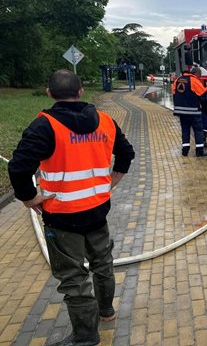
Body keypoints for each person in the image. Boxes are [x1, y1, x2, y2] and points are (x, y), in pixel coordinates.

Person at [8, 69, 135, 346]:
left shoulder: (44, 125)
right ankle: (106, 311)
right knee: (103, 263)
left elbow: (18, 168)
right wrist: (113, 180)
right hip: (98, 211)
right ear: (80, 92)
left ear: (49, 93)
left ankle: (86, 336)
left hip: (62, 218)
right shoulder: (105, 121)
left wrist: (29, 198)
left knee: (74, 278)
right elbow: (126, 153)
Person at [172, 66, 207, 157]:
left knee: (185, 130)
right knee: (198, 130)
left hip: (181, 111)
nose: (199, 78)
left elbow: (173, 93)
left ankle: (185, 151)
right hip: (193, 112)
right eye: (199, 76)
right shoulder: (193, 80)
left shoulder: (178, 80)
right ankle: (199, 151)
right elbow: (203, 94)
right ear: (196, 73)